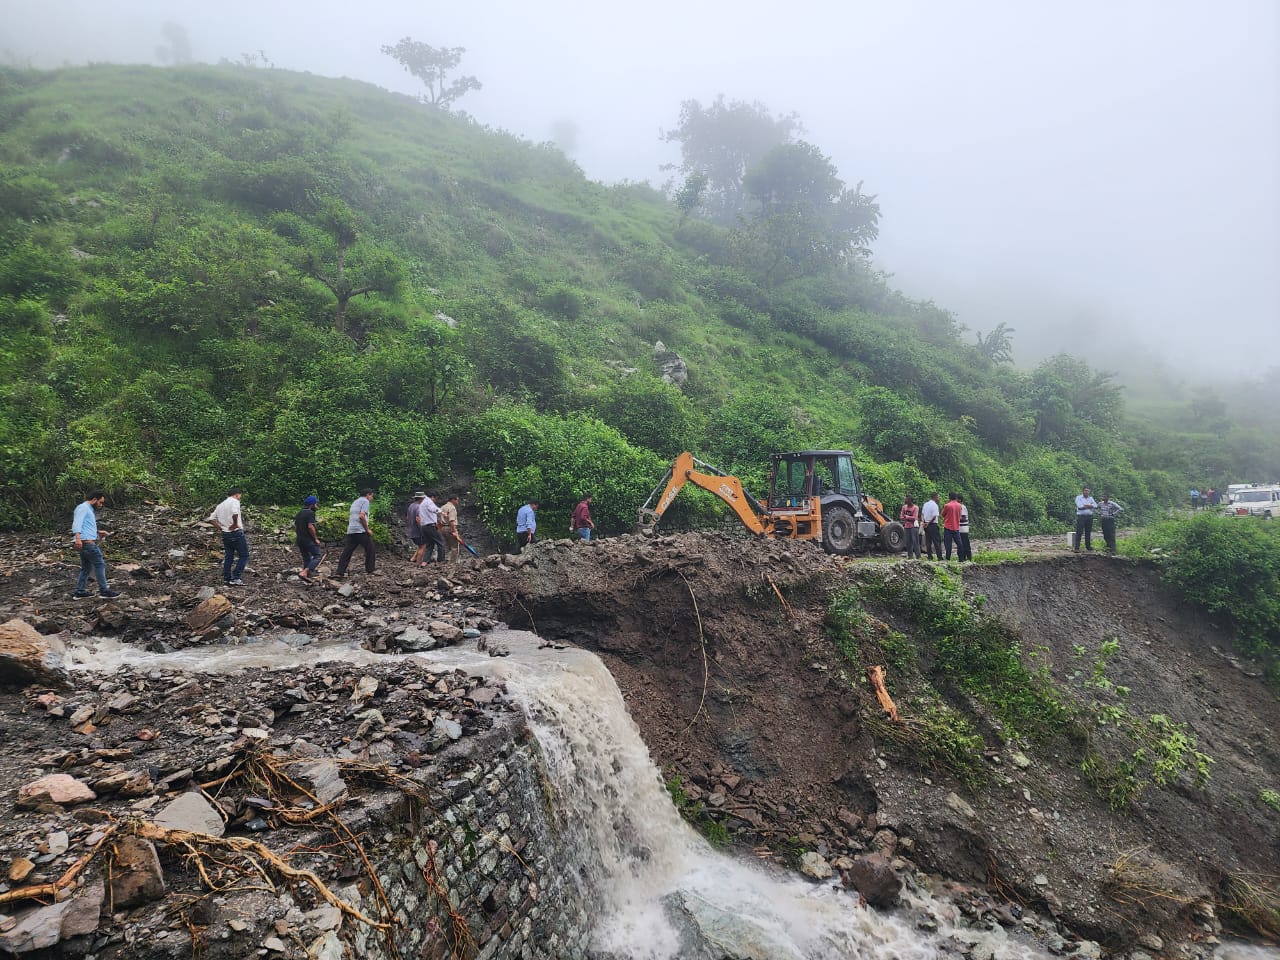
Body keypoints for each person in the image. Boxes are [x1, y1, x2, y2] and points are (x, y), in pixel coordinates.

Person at [71, 492, 121, 599]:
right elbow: (77, 523)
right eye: (100, 502)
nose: (101, 505)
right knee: (100, 564)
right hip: (87, 543)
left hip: (86, 542)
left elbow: (85, 526)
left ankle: (80, 591)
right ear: (94, 499)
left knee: (86, 567)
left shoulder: (88, 509)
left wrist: (98, 532)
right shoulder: (83, 508)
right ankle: (104, 590)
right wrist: (78, 539)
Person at [208, 487, 249, 586]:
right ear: (237, 494)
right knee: (244, 555)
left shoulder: (220, 505)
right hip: (235, 532)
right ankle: (236, 577)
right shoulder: (234, 501)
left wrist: (220, 528)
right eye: (240, 495)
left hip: (225, 534)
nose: (240, 497)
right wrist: (235, 523)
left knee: (229, 557)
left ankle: (227, 578)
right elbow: (235, 513)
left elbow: (211, 519)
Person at [336, 488, 376, 576]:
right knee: (370, 549)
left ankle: (340, 570)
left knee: (347, 551)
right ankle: (370, 569)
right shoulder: (365, 501)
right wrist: (367, 529)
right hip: (360, 530)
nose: (372, 498)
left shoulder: (355, 502)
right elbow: (361, 516)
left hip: (351, 530)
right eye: (371, 496)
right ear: (368, 495)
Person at [294, 496, 323, 582]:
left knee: (306, 558)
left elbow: (296, 526)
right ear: (312, 505)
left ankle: (306, 576)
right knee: (317, 556)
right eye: (316, 504)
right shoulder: (310, 513)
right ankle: (305, 572)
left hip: (300, 539)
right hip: (308, 539)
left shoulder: (299, 513)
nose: (317, 506)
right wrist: (315, 538)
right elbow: (310, 527)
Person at [417, 493, 446, 564]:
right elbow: (433, 509)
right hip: (430, 526)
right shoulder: (428, 501)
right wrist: (441, 512)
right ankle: (441, 561)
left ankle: (424, 562)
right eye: (435, 499)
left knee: (429, 545)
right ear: (432, 497)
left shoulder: (421, 504)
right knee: (441, 542)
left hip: (424, 527)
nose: (434, 501)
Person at [1074, 485, 1098, 552]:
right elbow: (1080, 507)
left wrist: (1087, 506)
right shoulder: (1078, 497)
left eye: (1088, 491)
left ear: (1089, 492)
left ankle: (1088, 546)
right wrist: (1090, 506)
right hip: (1081, 517)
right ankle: (1077, 548)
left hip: (1089, 517)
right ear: (1083, 491)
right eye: (1085, 490)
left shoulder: (1091, 498)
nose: (1086, 492)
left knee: (1088, 532)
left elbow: (1096, 506)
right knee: (1079, 532)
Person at [439, 494, 461, 562]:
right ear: (453, 500)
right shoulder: (452, 508)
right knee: (454, 546)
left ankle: (444, 560)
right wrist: (455, 532)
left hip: (442, 528)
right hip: (449, 528)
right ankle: (452, 563)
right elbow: (452, 521)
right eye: (457, 500)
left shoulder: (442, 507)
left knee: (446, 545)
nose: (458, 502)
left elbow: (438, 519)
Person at [920, 493, 942, 561]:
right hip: (932, 525)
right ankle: (939, 557)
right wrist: (928, 523)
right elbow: (934, 516)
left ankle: (929, 556)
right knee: (936, 541)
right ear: (935, 497)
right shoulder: (935, 505)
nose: (939, 498)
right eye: (938, 497)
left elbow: (922, 514)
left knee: (928, 541)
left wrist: (924, 522)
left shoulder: (925, 504)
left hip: (926, 524)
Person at [941, 493, 963, 561]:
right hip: (956, 527)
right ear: (956, 498)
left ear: (949, 497)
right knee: (959, 544)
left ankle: (948, 559)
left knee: (948, 544)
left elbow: (942, 514)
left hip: (948, 527)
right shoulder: (960, 506)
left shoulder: (947, 505)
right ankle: (961, 559)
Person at [899, 495, 920, 560]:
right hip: (906, 526)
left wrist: (907, 517)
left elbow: (915, 517)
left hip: (914, 526)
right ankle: (910, 556)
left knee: (915, 541)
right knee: (908, 542)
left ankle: (918, 556)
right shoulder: (904, 507)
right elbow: (901, 517)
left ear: (910, 500)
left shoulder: (915, 507)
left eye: (906, 499)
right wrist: (907, 518)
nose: (905, 500)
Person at [406, 492, 425, 564]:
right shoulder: (419, 507)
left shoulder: (411, 506)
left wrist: (410, 526)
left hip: (412, 530)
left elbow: (407, 517)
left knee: (420, 545)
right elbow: (418, 519)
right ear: (421, 499)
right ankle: (418, 562)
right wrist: (422, 529)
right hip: (418, 531)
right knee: (423, 546)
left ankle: (413, 559)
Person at [957, 495, 972, 562]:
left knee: (965, 543)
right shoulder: (959, 507)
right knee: (961, 543)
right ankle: (963, 557)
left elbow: (963, 517)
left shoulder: (962, 507)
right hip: (960, 528)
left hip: (963, 528)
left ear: (959, 500)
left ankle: (968, 557)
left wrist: (955, 518)